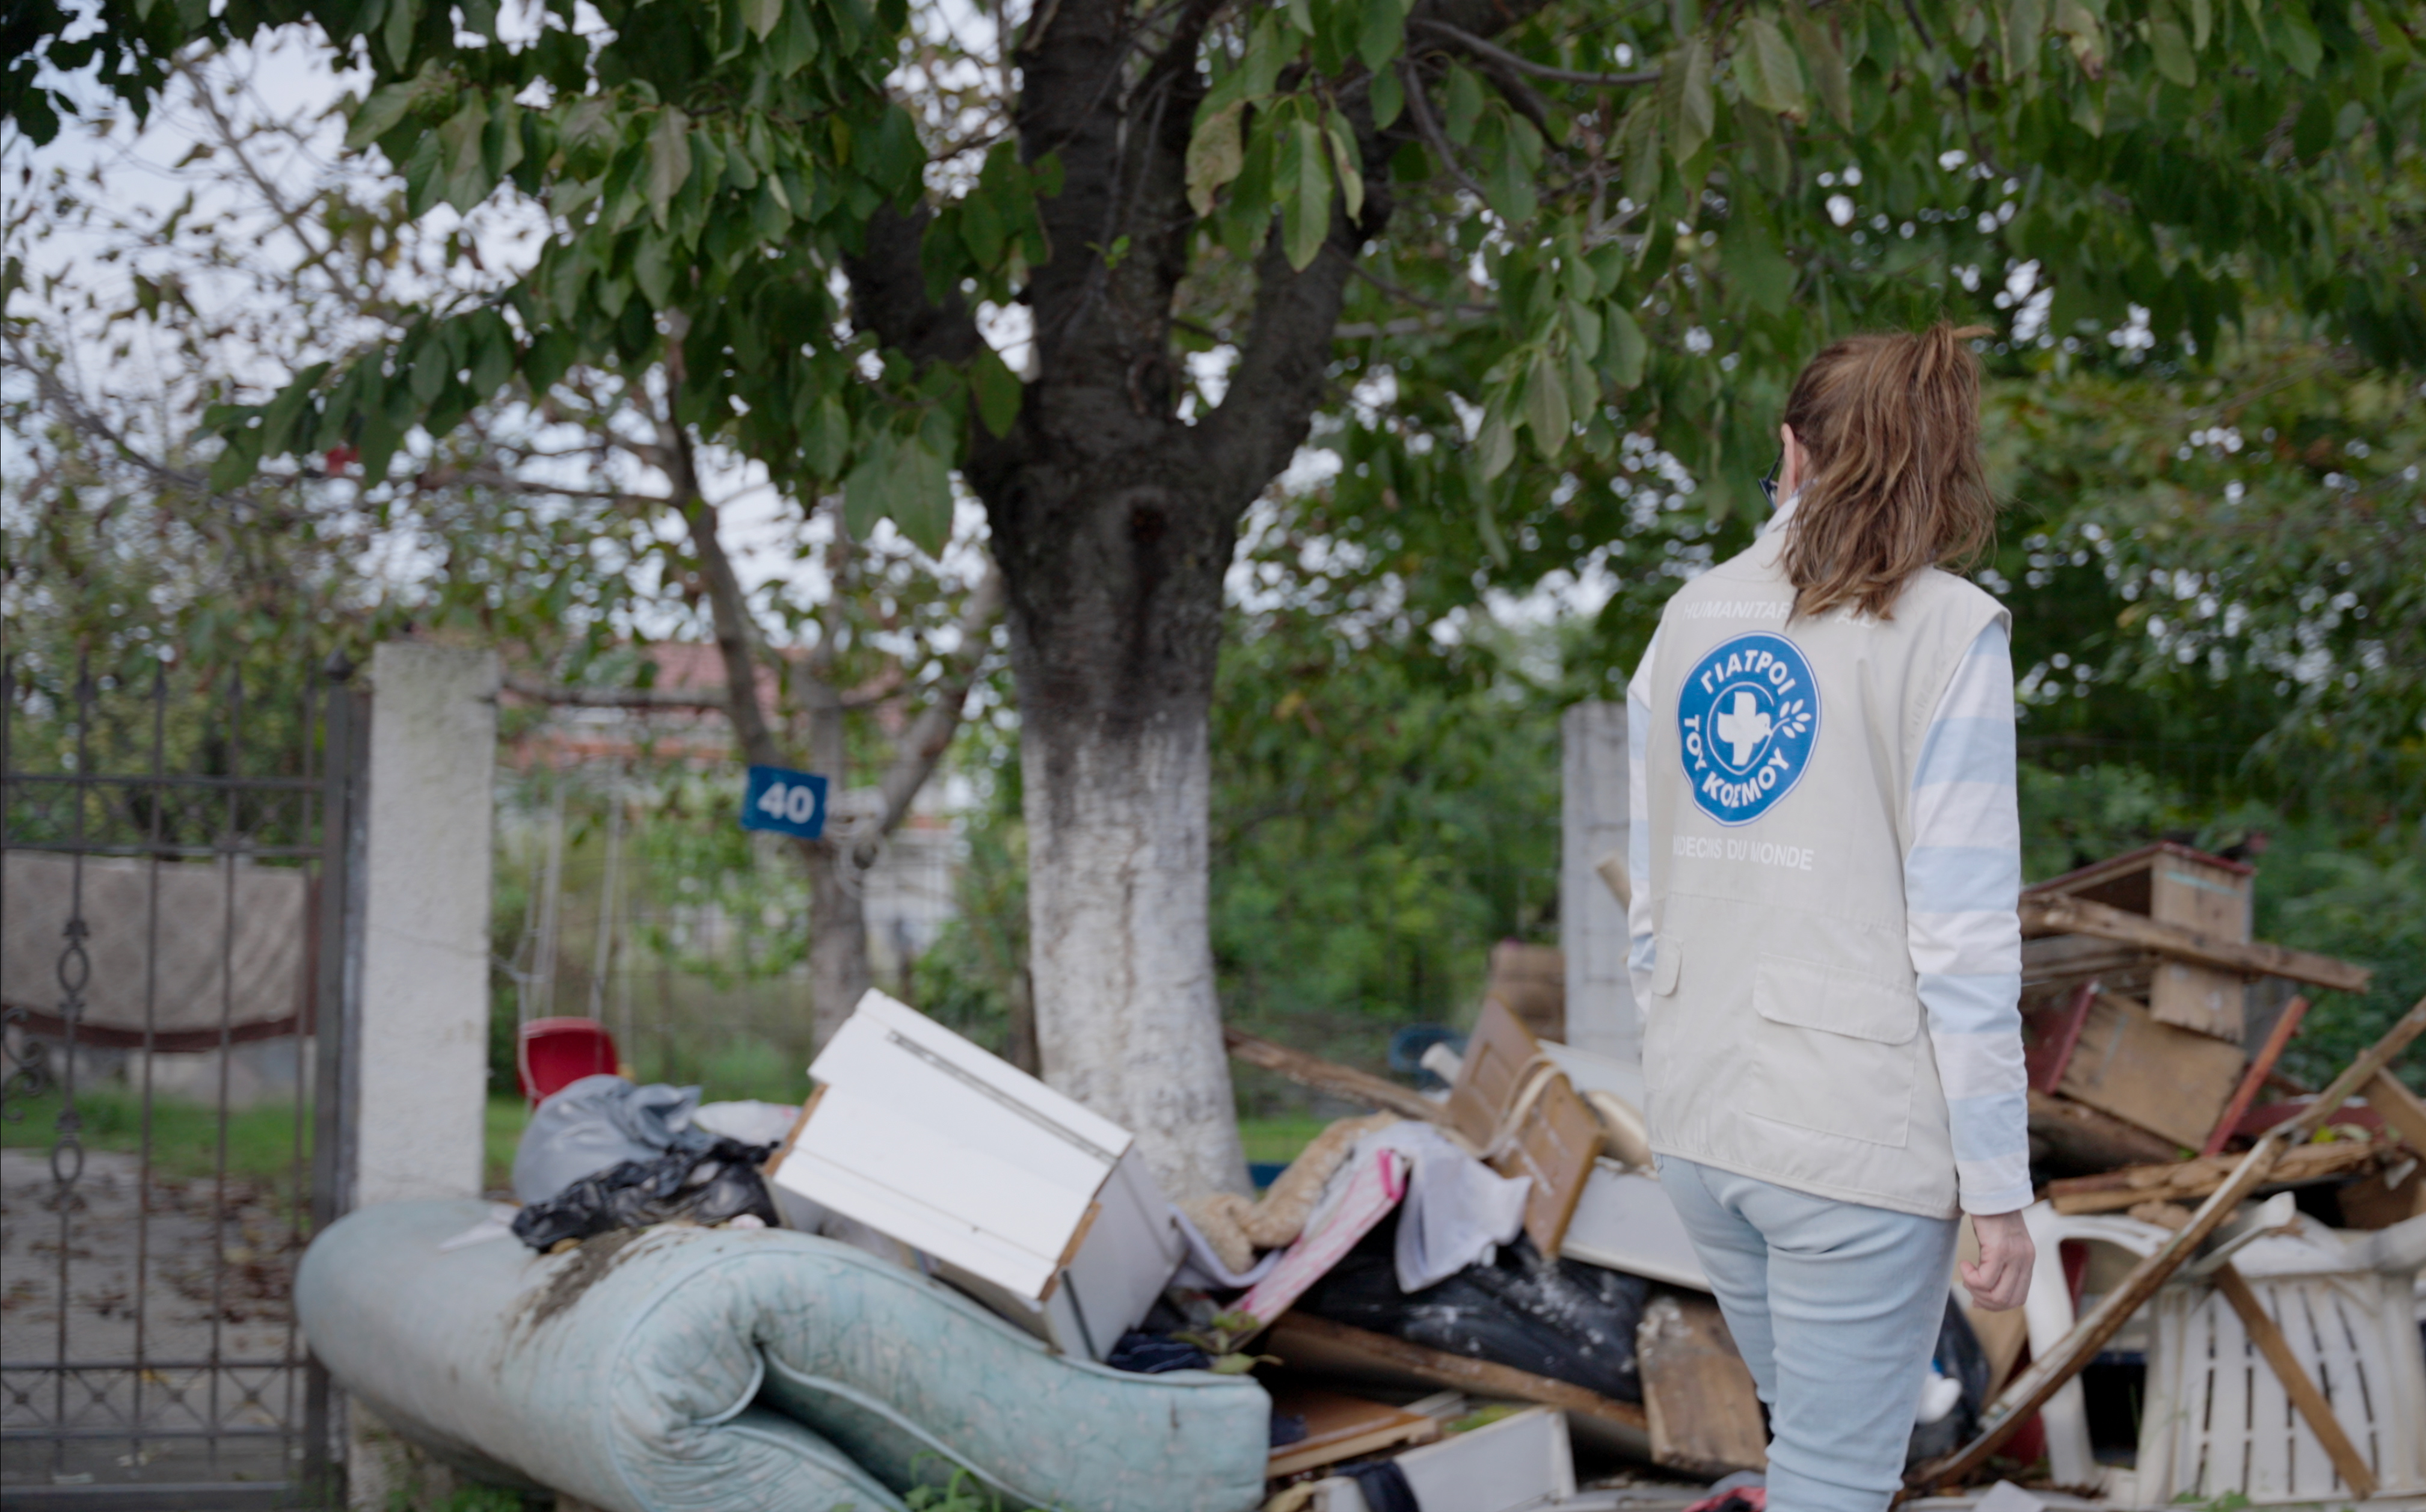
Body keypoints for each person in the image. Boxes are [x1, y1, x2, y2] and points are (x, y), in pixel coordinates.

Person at [1623, 324, 2035, 1511]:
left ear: (1792, 449)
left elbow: (1650, 905)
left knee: (1805, 1448)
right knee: (1834, 1475)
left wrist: (1675, 1050)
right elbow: (1960, 935)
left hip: (1704, 1121)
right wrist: (1996, 1185)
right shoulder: (1950, 632)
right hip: (1849, 1140)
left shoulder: (1688, 618)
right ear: (1943, 467)